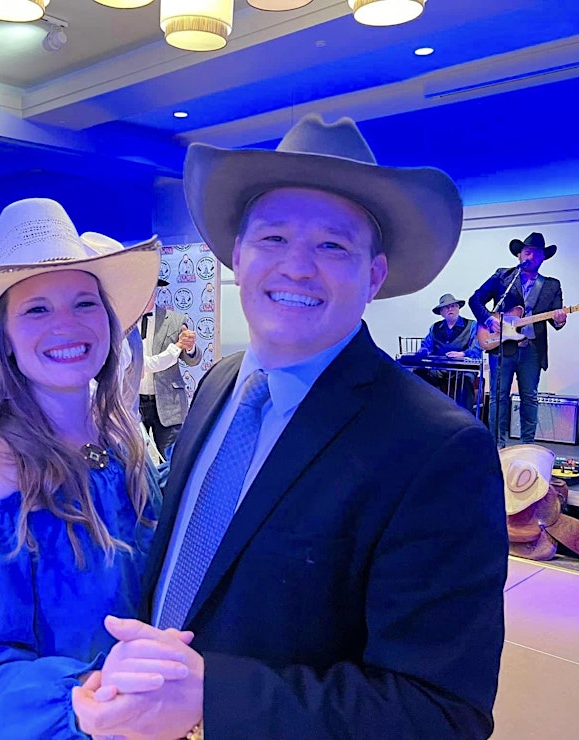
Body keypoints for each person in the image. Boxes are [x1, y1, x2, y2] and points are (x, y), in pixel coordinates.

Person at [72, 114, 508, 738]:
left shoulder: (436, 447)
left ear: (374, 274)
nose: (297, 267)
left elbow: (439, 710)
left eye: (333, 246)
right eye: (273, 239)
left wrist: (211, 699)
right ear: (238, 256)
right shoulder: (219, 384)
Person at [0, 198, 182, 738]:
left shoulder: (122, 442)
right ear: (3, 336)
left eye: (84, 303)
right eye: (36, 309)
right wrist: (80, 701)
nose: (67, 326)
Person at [469, 232, 567, 446]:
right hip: (502, 346)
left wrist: (560, 319)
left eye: (537, 254)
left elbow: (556, 319)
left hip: (532, 349)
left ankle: (527, 445)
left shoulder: (551, 285)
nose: (531, 257)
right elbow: (475, 300)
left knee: (529, 397)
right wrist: (487, 320)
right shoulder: (503, 276)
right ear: (519, 255)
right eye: (528, 252)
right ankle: (497, 445)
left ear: (543, 258)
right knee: (498, 396)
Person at [138, 278, 201, 457]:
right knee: (133, 462)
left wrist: (190, 347)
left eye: (150, 288)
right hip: (133, 403)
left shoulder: (176, 320)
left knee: (173, 460)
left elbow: (193, 360)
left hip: (169, 403)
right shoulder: (123, 322)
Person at [414, 292, 482, 411]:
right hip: (439, 370)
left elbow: (477, 348)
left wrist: (462, 354)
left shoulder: (472, 325)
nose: (450, 309)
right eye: (446, 307)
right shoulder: (434, 328)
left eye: (453, 306)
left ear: (458, 308)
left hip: (462, 370)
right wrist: (423, 351)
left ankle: (465, 420)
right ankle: (425, 413)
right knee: (418, 374)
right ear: (441, 312)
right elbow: (426, 346)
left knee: (465, 383)